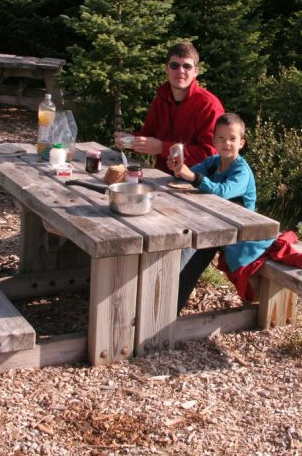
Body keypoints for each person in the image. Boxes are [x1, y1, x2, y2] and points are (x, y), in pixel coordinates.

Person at [168, 113, 275, 313]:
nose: (226, 143)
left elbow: (223, 191)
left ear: (241, 143)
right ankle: (165, 293)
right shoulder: (214, 162)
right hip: (214, 223)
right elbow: (190, 175)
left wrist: (191, 176)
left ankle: (170, 307)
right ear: (214, 141)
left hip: (240, 235)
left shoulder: (241, 171)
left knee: (195, 247)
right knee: (180, 236)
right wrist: (179, 169)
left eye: (232, 139)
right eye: (221, 138)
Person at [114, 42, 224, 173]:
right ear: (167, 68)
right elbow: (148, 134)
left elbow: (211, 154)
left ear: (196, 71)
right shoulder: (160, 99)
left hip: (196, 183)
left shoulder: (208, 105)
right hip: (161, 177)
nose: (180, 71)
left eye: (187, 66)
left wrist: (163, 148)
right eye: (174, 65)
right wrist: (129, 141)